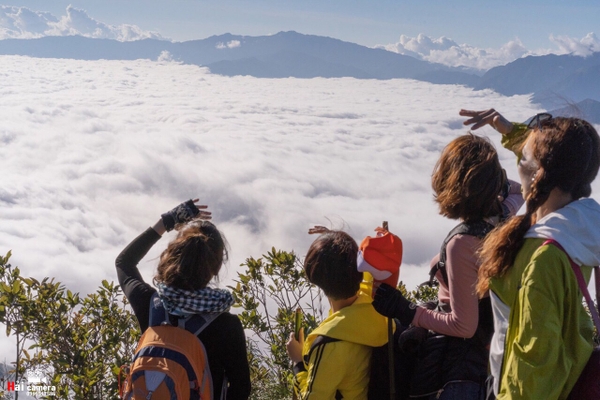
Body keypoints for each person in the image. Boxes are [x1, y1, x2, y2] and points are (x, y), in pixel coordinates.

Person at [461, 109, 600, 400]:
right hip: (567, 366)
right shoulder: (580, 224)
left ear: (540, 174)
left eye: (523, 158)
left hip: (514, 384)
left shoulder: (542, 258)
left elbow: (532, 370)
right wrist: (510, 131)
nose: (518, 163)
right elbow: (558, 160)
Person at [372, 133, 524, 399]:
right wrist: (494, 182)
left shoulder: (462, 243)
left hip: (456, 365)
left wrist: (407, 310)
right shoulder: (503, 216)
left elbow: (463, 325)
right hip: (487, 357)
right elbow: (519, 189)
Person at [115, 199, 251, 399]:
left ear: (171, 256)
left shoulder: (150, 303)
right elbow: (240, 390)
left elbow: (124, 263)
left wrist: (169, 220)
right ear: (215, 269)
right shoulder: (226, 326)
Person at [285, 227, 389, 399]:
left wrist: (297, 362)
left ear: (314, 277)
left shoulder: (330, 343)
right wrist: (332, 236)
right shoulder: (375, 302)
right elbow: (355, 268)